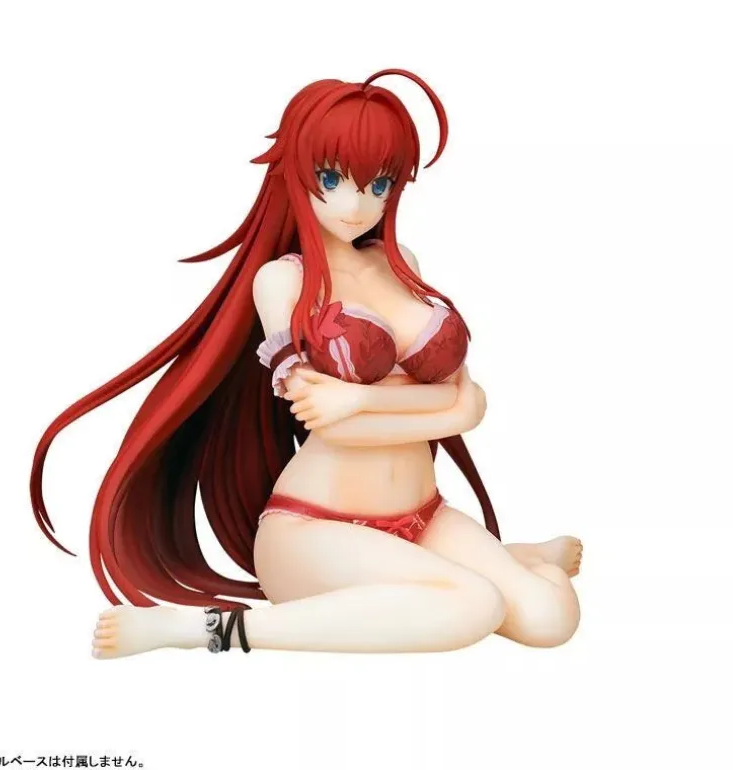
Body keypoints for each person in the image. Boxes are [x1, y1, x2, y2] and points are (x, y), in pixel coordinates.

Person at [30, 68, 582, 658]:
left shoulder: (401, 261)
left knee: (551, 620)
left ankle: (512, 560)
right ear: (295, 171)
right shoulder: (282, 283)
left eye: (379, 183)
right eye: (331, 179)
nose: (356, 205)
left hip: (424, 515)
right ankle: (200, 630)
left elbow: (450, 401)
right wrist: (450, 410)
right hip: (314, 529)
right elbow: (343, 425)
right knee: (474, 606)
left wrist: (365, 398)